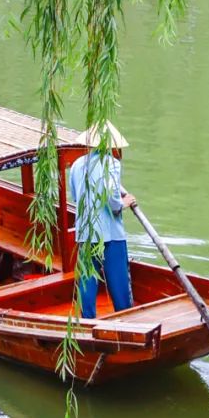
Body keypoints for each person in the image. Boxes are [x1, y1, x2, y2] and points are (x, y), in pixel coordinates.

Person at [67, 131, 136, 321]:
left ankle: (87, 318)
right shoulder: (111, 163)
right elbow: (111, 194)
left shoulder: (77, 165)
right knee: (118, 277)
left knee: (88, 278)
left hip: (87, 231)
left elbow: (75, 196)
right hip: (110, 232)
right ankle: (126, 316)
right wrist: (123, 204)